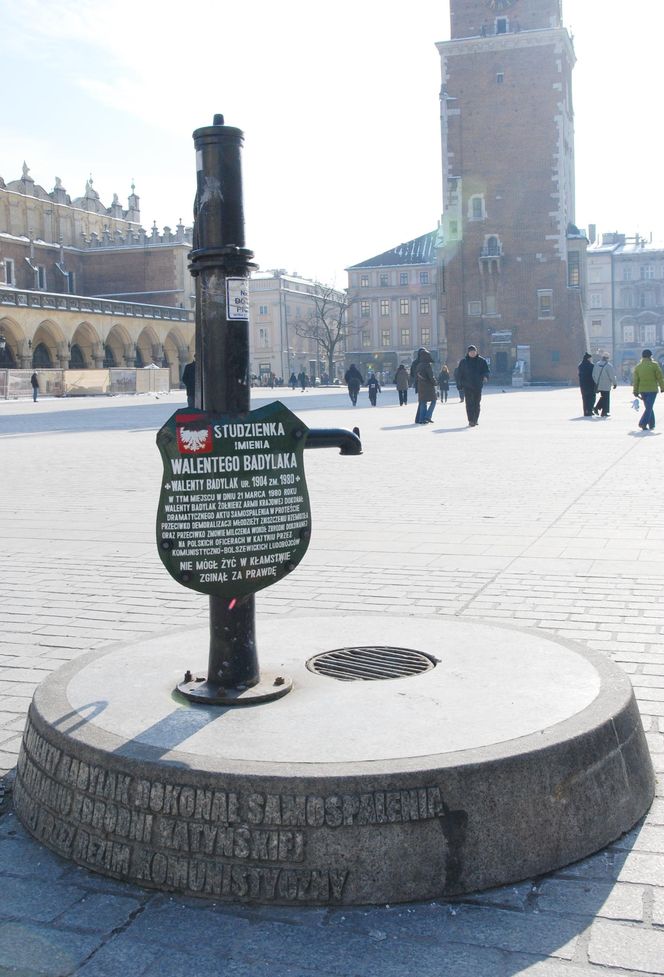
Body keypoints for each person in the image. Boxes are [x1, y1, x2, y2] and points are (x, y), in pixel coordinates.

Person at [457, 345, 490, 427]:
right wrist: (459, 384)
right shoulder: (463, 362)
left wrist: (485, 376)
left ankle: (475, 419)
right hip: (467, 386)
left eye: (474, 351)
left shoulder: (481, 361)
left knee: (476, 403)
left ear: (476, 352)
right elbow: (459, 374)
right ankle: (471, 420)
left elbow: (486, 370)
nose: (472, 353)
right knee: (469, 404)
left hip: (477, 385)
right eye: (471, 352)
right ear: (468, 353)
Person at [632, 348, 664, 431]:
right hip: (652, 390)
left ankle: (652, 424)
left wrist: (635, 391)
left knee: (649, 407)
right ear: (650, 356)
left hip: (642, 390)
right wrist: (662, 387)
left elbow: (636, 380)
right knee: (649, 407)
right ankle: (643, 423)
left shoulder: (638, 366)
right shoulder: (654, 365)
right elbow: (660, 377)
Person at [414, 348, 437, 424]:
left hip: (421, 386)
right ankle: (428, 416)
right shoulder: (427, 365)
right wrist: (435, 382)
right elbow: (431, 376)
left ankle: (421, 419)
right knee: (434, 401)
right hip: (428, 386)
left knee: (423, 402)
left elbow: (416, 376)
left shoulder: (419, 365)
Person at [592, 353, 617, 417]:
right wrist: (614, 383)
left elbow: (593, 375)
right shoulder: (608, 365)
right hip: (606, 384)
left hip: (598, 384)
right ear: (607, 358)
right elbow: (612, 376)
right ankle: (600, 409)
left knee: (603, 397)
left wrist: (596, 381)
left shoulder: (597, 364)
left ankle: (602, 411)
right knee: (606, 398)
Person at [578, 352, 595, 417]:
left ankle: (585, 411)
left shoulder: (580, 365)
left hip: (583, 384)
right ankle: (590, 410)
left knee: (585, 398)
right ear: (588, 358)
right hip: (590, 384)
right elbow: (594, 375)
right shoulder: (591, 366)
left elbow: (579, 375)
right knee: (591, 397)